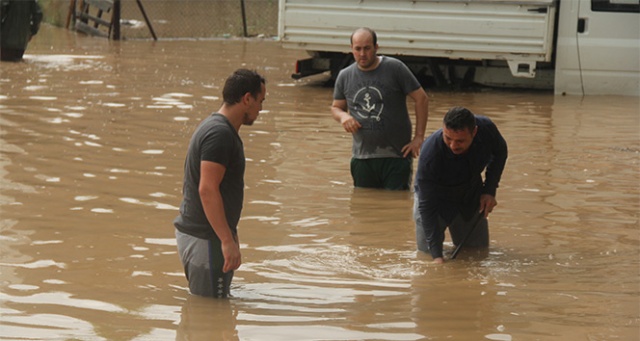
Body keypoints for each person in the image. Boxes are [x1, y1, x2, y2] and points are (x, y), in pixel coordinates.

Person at [174, 69, 266, 298]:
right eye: (260, 101)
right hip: (206, 239)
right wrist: (226, 240)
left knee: (205, 316)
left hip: (204, 235)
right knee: (210, 315)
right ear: (247, 99)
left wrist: (230, 235)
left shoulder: (216, 127)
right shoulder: (220, 134)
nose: (261, 109)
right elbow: (207, 189)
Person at [331, 27, 429, 190]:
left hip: (397, 155)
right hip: (362, 157)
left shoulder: (395, 68)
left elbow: (421, 99)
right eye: (358, 49)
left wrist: (419, 137)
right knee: (363, 206)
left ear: (376, 47)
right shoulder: (345, 76)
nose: (362, 54)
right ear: (352, 49)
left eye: (367, 48)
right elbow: (336, 107)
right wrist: (343, 117)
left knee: (396, 207)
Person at [414, 106, 507, 263]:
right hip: (435, 201)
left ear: (474, 132)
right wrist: (437, 257)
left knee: (477, 254)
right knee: (427, 257)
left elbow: (500, 151)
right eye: (448, 138)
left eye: (460, 141)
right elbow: (426, 206)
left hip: (469, 196)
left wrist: (489, 190)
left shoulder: (487, 129)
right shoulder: (430, 154)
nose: (453, 146)